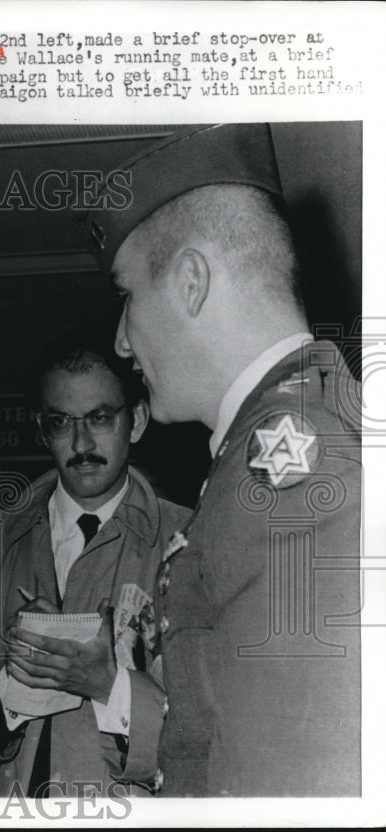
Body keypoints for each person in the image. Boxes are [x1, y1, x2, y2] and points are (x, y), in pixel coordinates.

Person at [80, 123, 361, 795]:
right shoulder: (281, 443)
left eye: (127, 296)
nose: (121, 342)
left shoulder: (289, 472)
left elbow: (294, 780)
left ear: (191, 282)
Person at [0, 333, 190, 796]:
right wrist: (12, 688)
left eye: (100, 417)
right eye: (60, 422)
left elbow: (223, 733)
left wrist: (110, 686)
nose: (81, 441)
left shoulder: (187, 544)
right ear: (40, 429)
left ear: (136, 422)